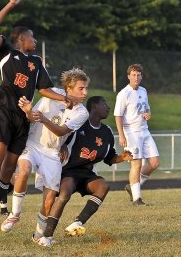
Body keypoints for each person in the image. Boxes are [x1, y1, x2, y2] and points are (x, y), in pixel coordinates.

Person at [0, 0, 77, 239]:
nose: (35, 40)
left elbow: (43, 89)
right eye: (32, 37)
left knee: (8, 172)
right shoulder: (7, 51)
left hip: (23, 120)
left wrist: (65, 98)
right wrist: (10, 5)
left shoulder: (36, 62)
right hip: (5, 112)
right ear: (21, 39)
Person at [0, 68, 89, 244]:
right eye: (81, 88)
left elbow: (62, 130)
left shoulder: (82, 112)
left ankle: (38, 235)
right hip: (32, 144)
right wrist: (28, 111)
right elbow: (33, 117)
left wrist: (44, 119)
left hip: (52, 153)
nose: (85, 92)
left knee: (49, 200)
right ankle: (15, 214)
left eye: (86, 88)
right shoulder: (52, 94)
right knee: (24, 170)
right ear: (68, 89)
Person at [36, 96, 133, 246]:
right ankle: (46, 236)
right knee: (64, 193)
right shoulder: (79, 124)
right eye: (105, 104)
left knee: (103, 186)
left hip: (87, 173)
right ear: (94, 106)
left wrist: (122, 157)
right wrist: (62, 146)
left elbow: (109, 157)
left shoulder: (106, 132)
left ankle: (77, 223)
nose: (108, 107)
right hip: (68, 170)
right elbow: (61, 136)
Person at [114, 64, 160, 205]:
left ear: (141, 76)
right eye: (133, 75)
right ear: (128, 76)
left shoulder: (143, 91)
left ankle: (133, 186)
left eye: (138, 75)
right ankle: (136, 198)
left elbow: (147, 109)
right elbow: (118, 115)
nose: (136, 77)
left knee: (154, 163)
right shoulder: (124, 93)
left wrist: (148, 115)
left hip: (144, 130)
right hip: (131, 132)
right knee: (137, 165)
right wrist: (121, 135)